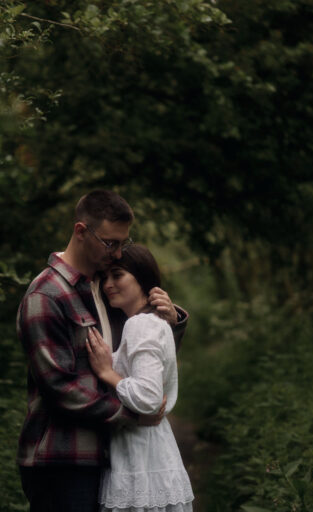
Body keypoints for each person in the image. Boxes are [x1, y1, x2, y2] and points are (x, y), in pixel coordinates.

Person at [16, 190, 188, 512]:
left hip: (107, 456)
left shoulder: (105, 290)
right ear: (81, 232)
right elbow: (61, 388)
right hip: (62, 460)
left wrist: (170, 321)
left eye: (123, 242)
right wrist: (134, 415)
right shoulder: (46, 296)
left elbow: (143, 362)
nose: (118, 252)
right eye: (111, 243)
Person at [85, 244, 195, 512]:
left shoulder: (140, 325)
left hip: (140, 453)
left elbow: (148, 397)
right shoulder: (156, 322)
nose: (108, 284)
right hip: (153, 448)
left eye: (118, 275)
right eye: (105, 277)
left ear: (143, 278)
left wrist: (107, 373)